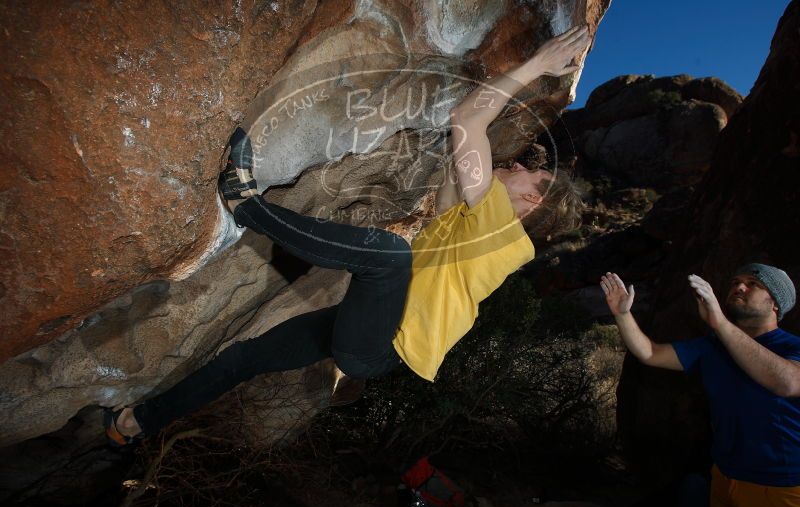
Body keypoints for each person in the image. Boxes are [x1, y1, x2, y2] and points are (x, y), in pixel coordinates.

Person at [103, 26, 591, 446]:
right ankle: (133, 424)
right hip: (360, 331)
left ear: (534, 203)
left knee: (390, 256)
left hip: (380, 350)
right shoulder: (480, 225)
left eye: (532, 176)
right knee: (243, 359)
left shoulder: (503, 228)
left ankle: (245, 206)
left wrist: (539, 63)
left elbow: (467, 119)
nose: (520, 166)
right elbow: (449, 189)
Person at [601, 265, 800, 507]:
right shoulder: (712, 347)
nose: (739, 287)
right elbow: (649, 352)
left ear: (775, 302)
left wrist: (721, 324)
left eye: (753, 284)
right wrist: (622, 314)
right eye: (735, 282)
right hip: (725, 479)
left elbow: (787, 382)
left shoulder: (792, 347)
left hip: (782, 486)